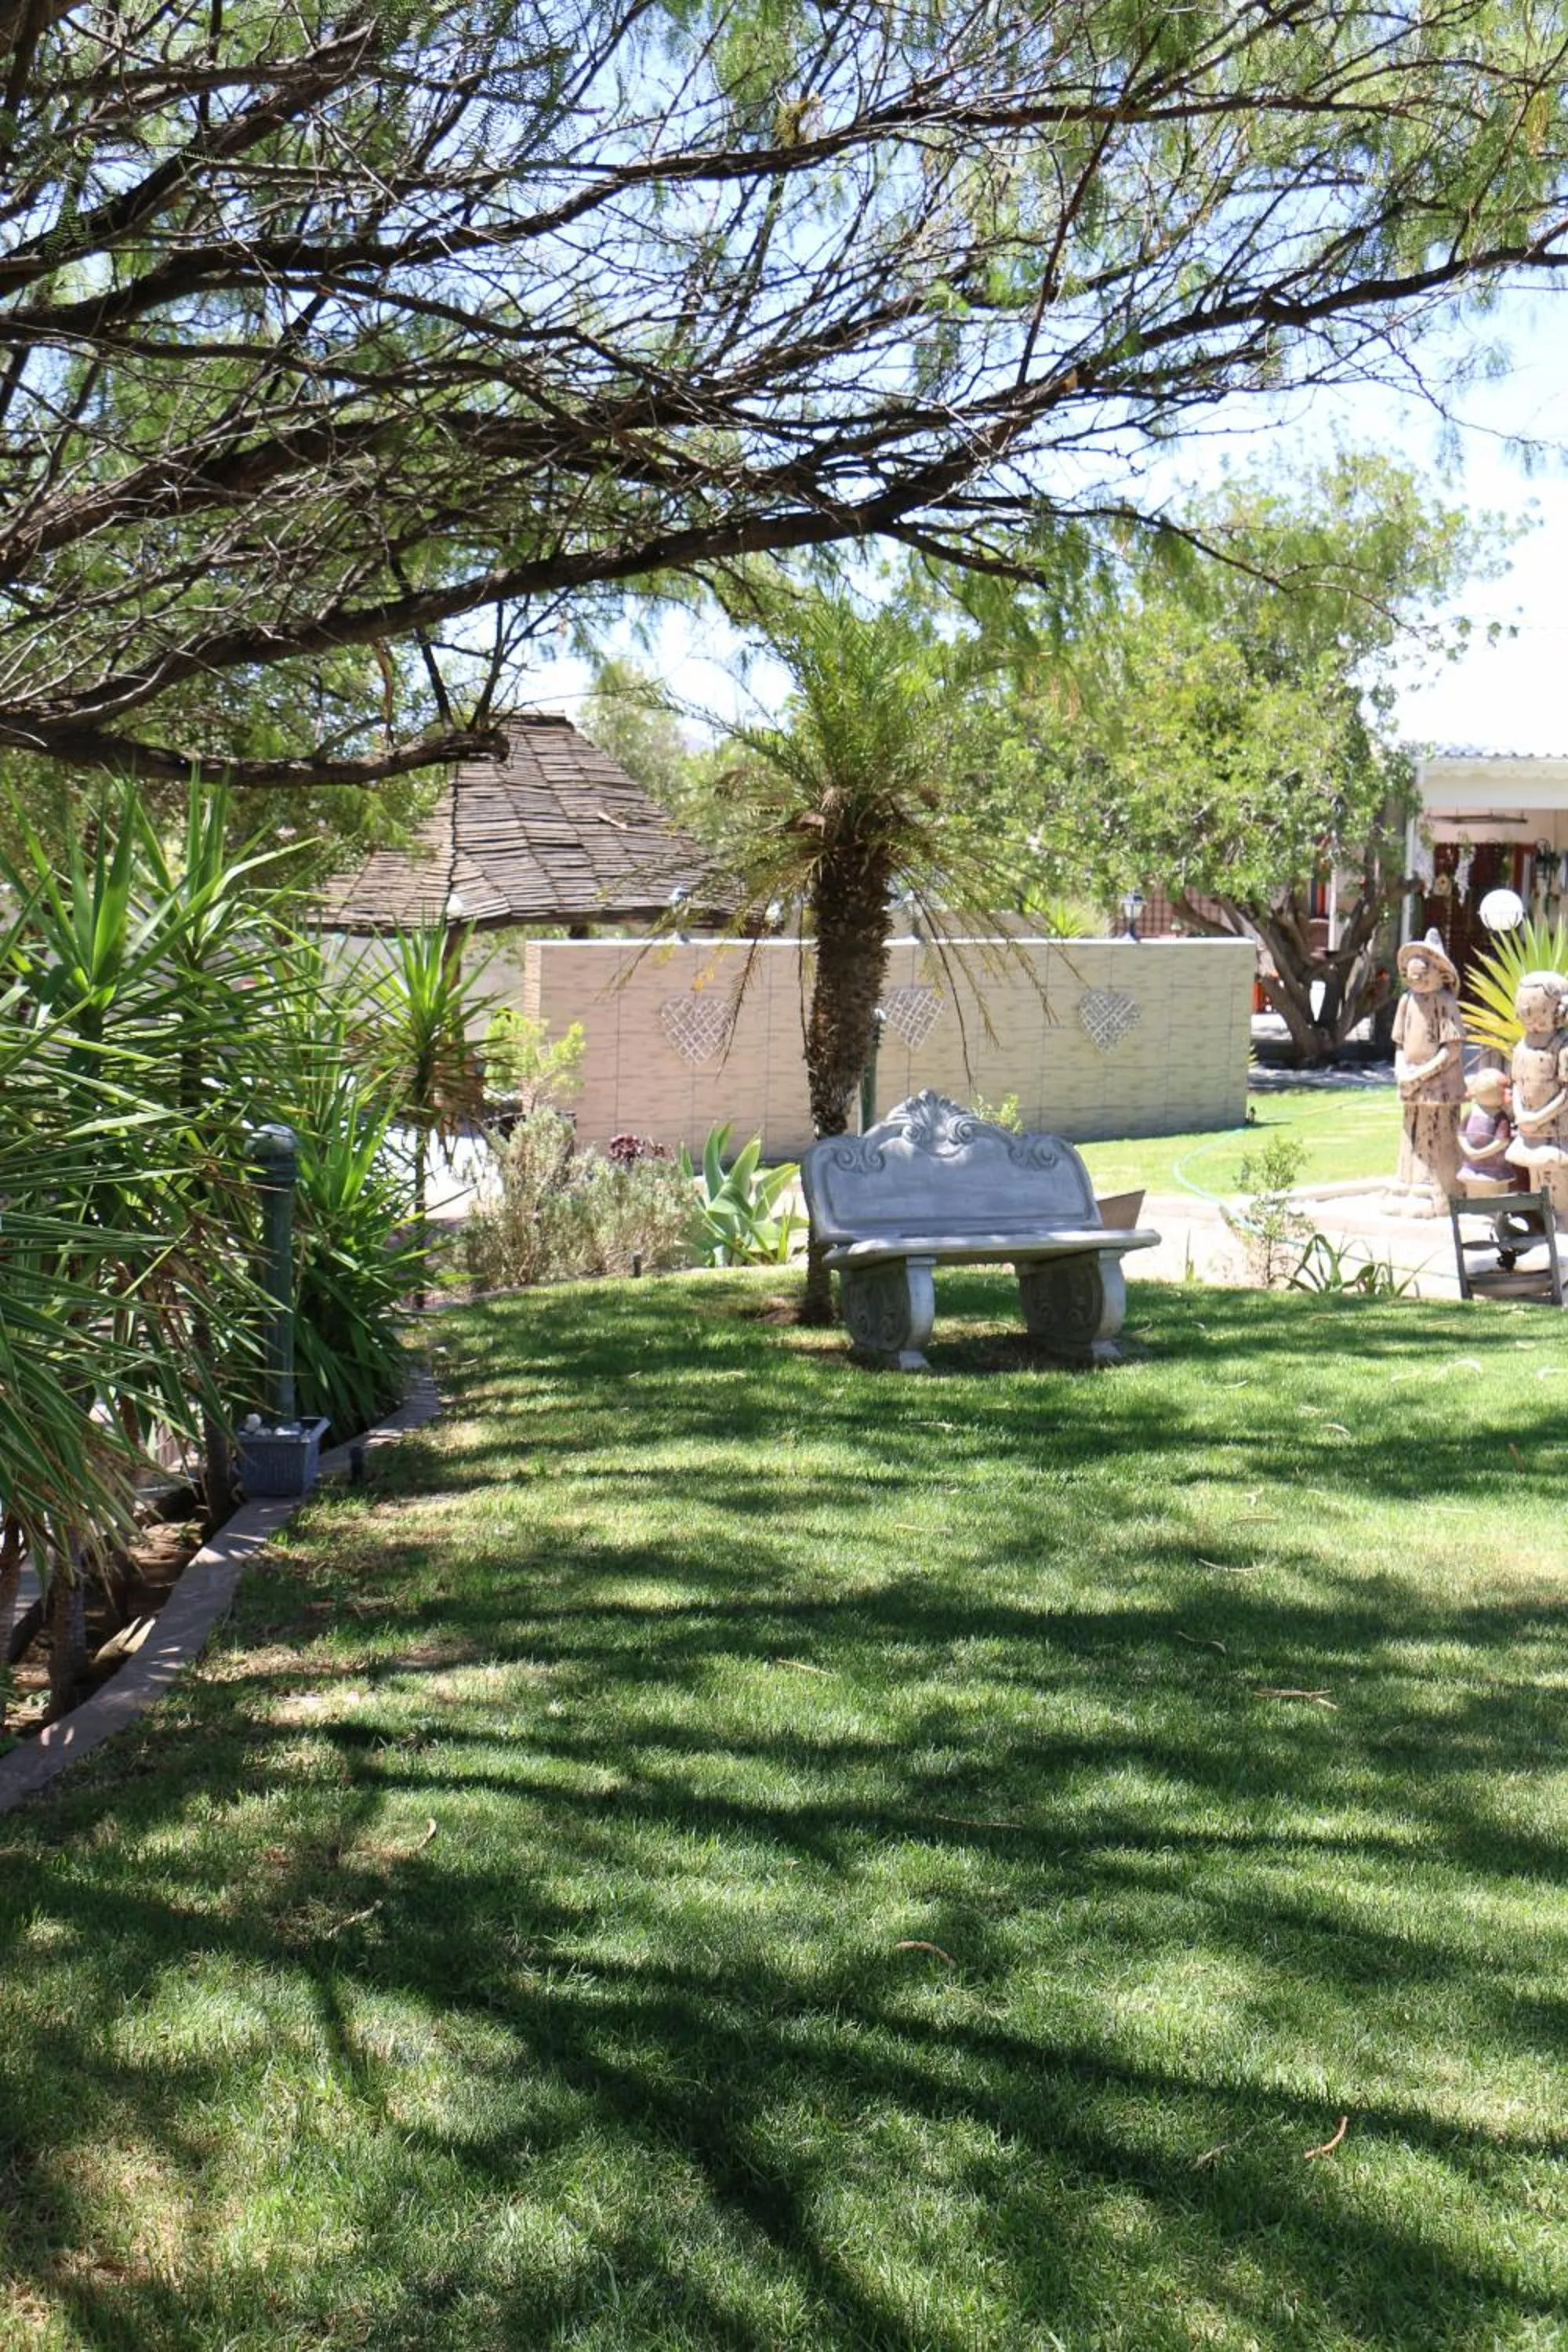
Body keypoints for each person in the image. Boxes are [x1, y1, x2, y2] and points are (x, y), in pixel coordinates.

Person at [1388, 928, 1464, 1213]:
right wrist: (1402, 1072)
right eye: (1411, 975)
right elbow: (1399, 1043)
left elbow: (1452, 1049)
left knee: (1430, 1130)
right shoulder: (1407, 1001)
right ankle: (1403, 1180)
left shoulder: (1445, 1002)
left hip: (1439, 1081)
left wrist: (1422, 1074)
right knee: (1409, 1128)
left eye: (1422, 975)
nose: (1415, 980)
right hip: (1411, 1077)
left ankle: (1428, 1186)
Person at [1504, 969, 1568, 1214]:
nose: (1528, 1012)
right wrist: (1522, 1115)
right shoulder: (1522, 1046)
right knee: (1535, 1171)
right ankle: (1540, 1217)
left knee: (1555, 1171)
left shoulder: (1561, 1047)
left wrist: (1539, 1117)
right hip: (1529, 1127)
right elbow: (1517, 1083)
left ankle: (1560, 1216)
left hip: (1556, 1127)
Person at [1456, 1068, 1512, 1196]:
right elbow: (1461, 1134)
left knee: (1493, 1193)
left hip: (1495, 1168)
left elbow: (1502, 1142)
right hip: (1472, 1166)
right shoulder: (1472, 1113)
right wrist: (1469, 1151)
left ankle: (1495, 1214)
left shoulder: (1500, 1117)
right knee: (1474, 1192)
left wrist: (1480, 1153)